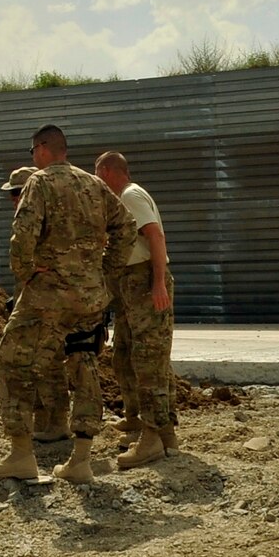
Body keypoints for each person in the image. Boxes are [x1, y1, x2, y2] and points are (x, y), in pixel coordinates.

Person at [0, 125, 136, 485]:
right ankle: (80, 461)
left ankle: (21, 455)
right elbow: (126, 227)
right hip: (88, 297)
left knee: (11, 359)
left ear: (41, 149)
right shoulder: (94, 184)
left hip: (48, 295)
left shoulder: (40, 182)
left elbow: (23, 235)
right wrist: (103, 271)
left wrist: (26, 270)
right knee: (83, 362)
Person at [94, 150, 178, 467]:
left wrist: (157, 283)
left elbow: (155, 236)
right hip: (132, 284)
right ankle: (156, 428)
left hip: (145, 281)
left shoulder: (130, 196)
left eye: (97, 173)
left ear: (107, 171)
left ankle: (153, 438)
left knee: (149, 362)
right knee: (127, 353)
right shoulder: (123, 200)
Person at [0, 166, 71, 442]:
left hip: (46, 304)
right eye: (13, 196)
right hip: (32, 299)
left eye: (18, 193)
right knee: (38, 364)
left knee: (49, 363)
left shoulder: (44, 219)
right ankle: (46, 421)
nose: (15, 200)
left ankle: (57, 422)